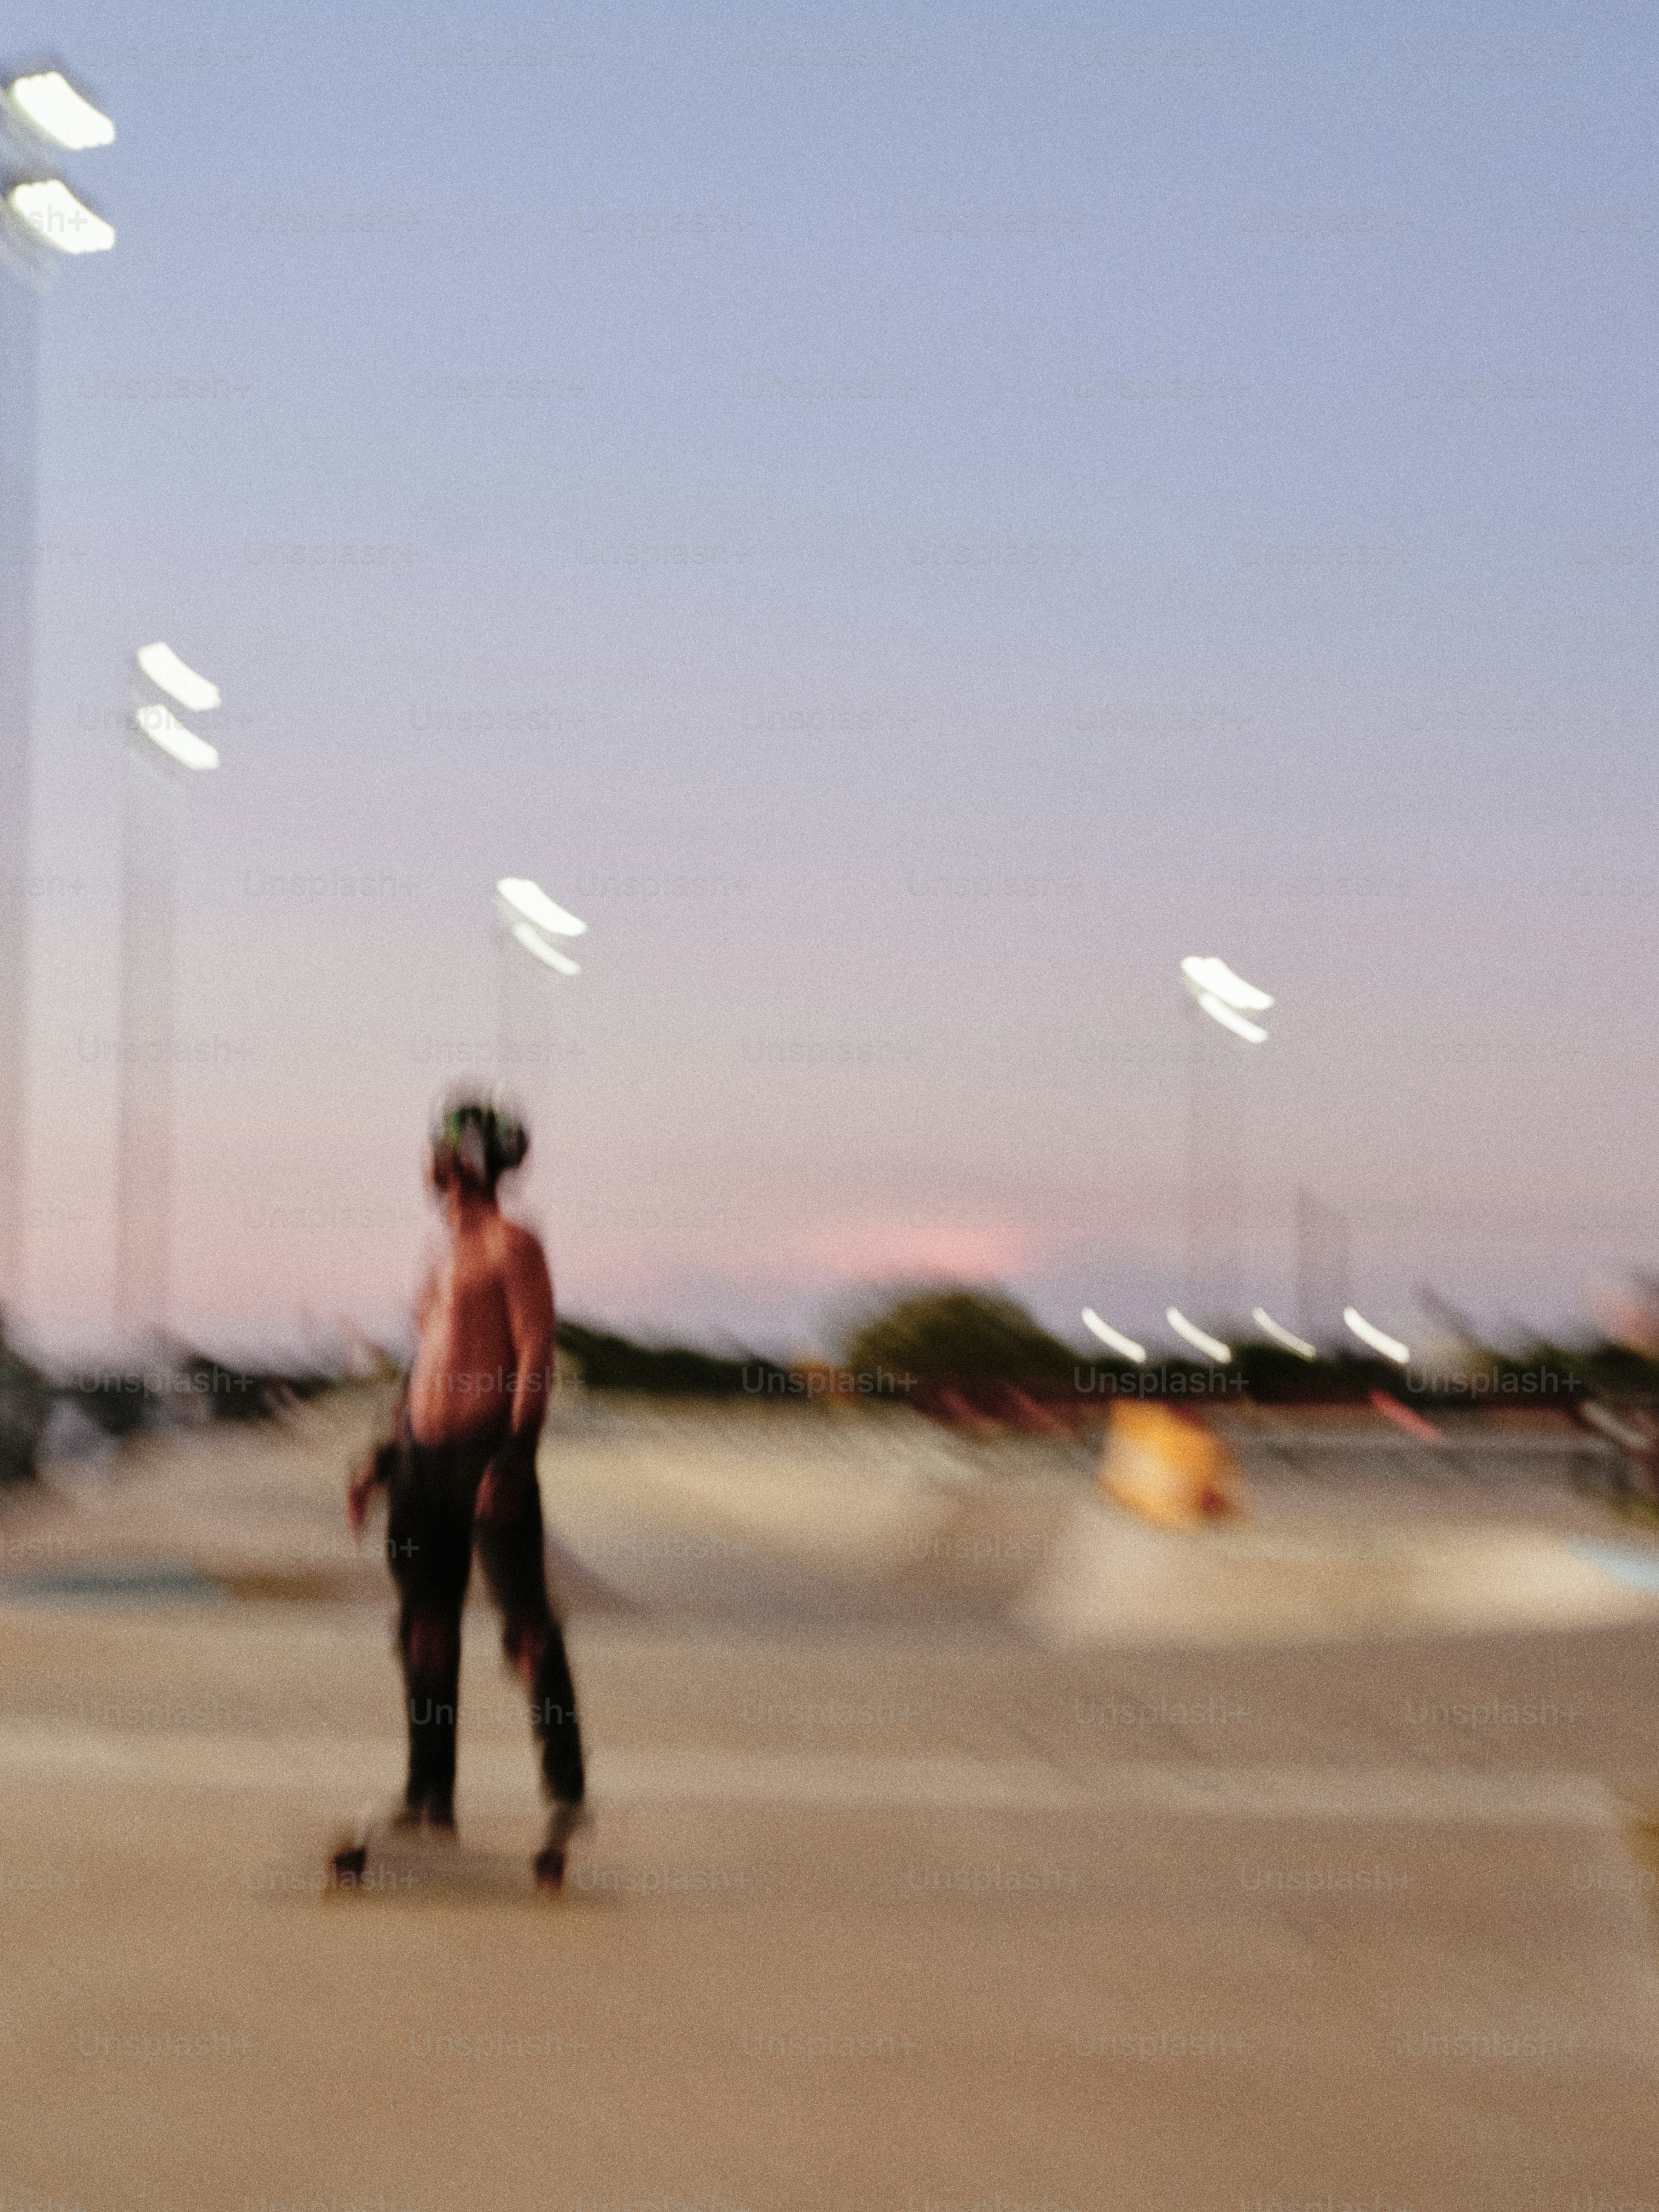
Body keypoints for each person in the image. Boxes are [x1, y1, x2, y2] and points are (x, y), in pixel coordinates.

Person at [346, 1093, 585, 1889]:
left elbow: (535, 1349)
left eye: (443, 1148)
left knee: (524, 1624)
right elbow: (426, 1365)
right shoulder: (441, 1256)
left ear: (470, 1158)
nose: (431, 1161)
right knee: (422, 1628)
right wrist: (385, 1456)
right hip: (422, 1462)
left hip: (488, 1456)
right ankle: (428, 1795)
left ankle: (565, 1789)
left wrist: (517, 1454)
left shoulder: (514, 1245)